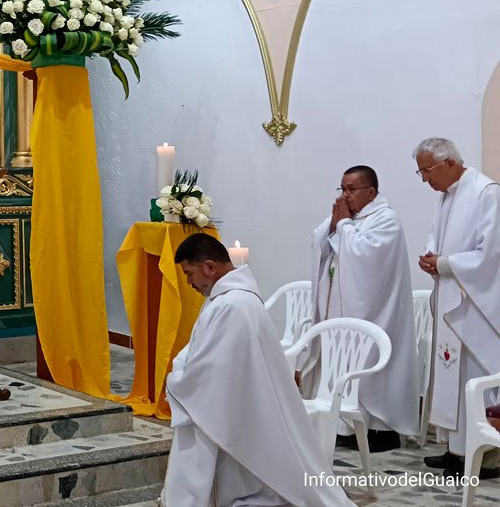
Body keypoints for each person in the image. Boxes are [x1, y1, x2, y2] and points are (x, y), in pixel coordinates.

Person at [163, 233, 353, 507]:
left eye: (189, 274)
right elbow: (202, 351)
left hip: (237, 403)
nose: (189, 282)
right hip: (238, 400)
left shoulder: (233, 305)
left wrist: (179, 380)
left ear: (209, 267)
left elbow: (214, 370)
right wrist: (184, 367)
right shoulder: (226, 299)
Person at [307, 165, 419, 452]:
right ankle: (346, 424)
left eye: (351, 189)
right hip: (342, 308)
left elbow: (367, 258)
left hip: (375, 311)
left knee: (370, 365)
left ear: (371, 191)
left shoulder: (386, 219)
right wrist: (334, 226)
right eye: (342, 189)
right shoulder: (348, 217)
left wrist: (342, 226)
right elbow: (321, 243)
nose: (345, 195)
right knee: (342, 361)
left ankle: (381, 430)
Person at [413, 137, 500, 478]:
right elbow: (439, 241)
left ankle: (488, 457)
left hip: (477, 305)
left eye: (427, 171)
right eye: (420, 172)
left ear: (450, 163)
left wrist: (445, 263)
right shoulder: (448, 196)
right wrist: (431, 259)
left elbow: (491, 254)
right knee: (452, 376)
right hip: (452, 295)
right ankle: (457, 449)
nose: (425, 180)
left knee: (474, 375)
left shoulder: (486, 193)